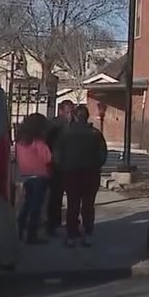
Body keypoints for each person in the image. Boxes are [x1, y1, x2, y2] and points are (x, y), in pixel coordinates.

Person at [53, 104, 108, 247]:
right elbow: (103, 154)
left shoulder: (65, 134)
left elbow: (57, 154)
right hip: (90, 172)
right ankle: (88, 233)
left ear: (75, 116)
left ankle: (72, 234)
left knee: (73, 204)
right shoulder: (95, 134)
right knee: (88, 205)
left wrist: (62, 167)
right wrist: (96, 165)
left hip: (71, 173)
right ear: (87, 117)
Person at [14, 113, 52, 244]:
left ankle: (19, 230)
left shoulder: (20, 141)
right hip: (40, 176)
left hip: (26, 175)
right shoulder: (38, 142)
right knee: (36, 207)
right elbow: (48, 158)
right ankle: (31, 235)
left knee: (26, 205)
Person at [44, 99, 75, 237]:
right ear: (61, 111)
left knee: (73, 197)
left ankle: (70, 223)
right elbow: (46, 144)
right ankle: (53, 224)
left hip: (71, 165)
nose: (70, 115)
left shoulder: (75, 125)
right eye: (68, 112)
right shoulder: (53, 125)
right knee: (55, 197)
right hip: (57, 165)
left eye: (72, 112)